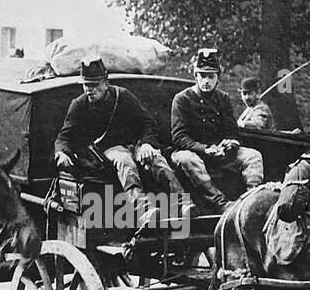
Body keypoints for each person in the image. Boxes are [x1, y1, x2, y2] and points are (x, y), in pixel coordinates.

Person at [54, 58, 182, 221]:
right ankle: (143, 210)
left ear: (106, 84)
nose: (89, 90)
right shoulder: (79, 105)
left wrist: (146, 144)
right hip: (111, 150)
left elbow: (148, 124)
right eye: (86, 85)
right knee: (125, 163)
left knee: (157, 160)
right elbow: (64, 136)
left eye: (95, 85)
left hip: (136, 145)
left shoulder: (123, 96)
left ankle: (183, 203)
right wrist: (61, 153)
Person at [170, 48, 264, 210]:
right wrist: (204, 149)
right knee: (186, 159)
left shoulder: (223, 98)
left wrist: (231, 142)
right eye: (202, 76)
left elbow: (231, 130)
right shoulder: (182, 99)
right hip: (193, 152)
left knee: (253, 156)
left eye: (211, 76)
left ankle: (251, 201)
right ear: (196, 76)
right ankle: (220, 203)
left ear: (217, 78)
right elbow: (179, 137)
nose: (206, 81)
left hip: (220, 153)